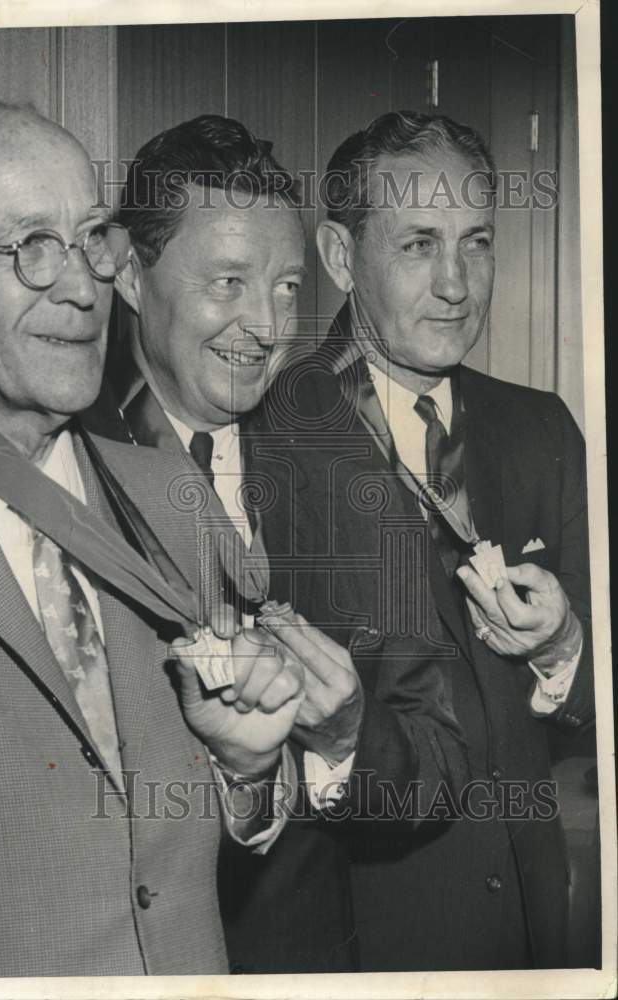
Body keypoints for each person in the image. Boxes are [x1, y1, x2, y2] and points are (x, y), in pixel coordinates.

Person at [0, 98, 311, 978]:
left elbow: (186, 845)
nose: (83, 285)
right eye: (30, 246)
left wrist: (250, 772)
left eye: (92, 237)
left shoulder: (173, 497)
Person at [86, 113, 471, 972]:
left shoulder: (335, 449)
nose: (265, 326)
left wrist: (342, 741)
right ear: (128, 273)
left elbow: (441, 755)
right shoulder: (56, 459)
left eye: (290, 288)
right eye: (228, 281)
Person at [268, 109, 593, 970]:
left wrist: (564, 648)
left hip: (533, 935)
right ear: (340, 258)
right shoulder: (266, 431)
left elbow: (590, 706)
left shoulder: (542, 430)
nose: (457, 283)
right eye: (418, 244)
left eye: (476, 242)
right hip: (362, 946)